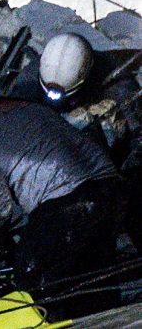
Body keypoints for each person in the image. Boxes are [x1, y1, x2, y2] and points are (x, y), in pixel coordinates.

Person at [0, 55, 123, 317]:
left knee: (32, 276)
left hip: (67, 199)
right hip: (109, 187)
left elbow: (1, 207)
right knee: (93, 276)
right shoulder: (22, 104)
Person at [8, 33, 141, 251]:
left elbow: (139, 136)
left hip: (108, 161)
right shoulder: (30, 81)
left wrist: (124, 176)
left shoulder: (117, 84)